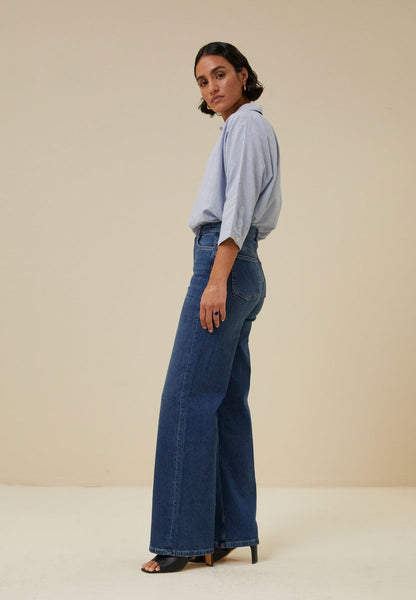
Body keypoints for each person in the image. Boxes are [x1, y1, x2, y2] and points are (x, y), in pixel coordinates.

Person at [141, 41, 282, 574]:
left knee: (186, 398)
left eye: (220, 74)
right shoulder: (245, 127)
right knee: (223, 404)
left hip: (224, 261)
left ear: (243, 74)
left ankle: (180, 540)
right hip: (244, 267)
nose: (212, 87)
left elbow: (237, 206)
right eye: (202, 81)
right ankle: (227, 531)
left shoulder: (245, 125)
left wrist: (216, 278)